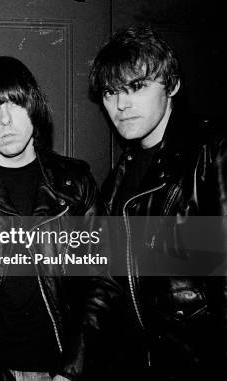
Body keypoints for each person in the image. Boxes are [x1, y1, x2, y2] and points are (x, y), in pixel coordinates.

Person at [0, 56, 118, 381]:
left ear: (34, 108)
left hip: (60, 369)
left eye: (15, 104)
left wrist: (73, 369)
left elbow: (102, 281)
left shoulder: (75, 183)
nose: (4, 120)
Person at [89, 26, 227, 380]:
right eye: (110, 92)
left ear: (172, 85)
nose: (121, 104)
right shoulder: (120, 176)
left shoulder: (212, 151)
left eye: (137, 87)